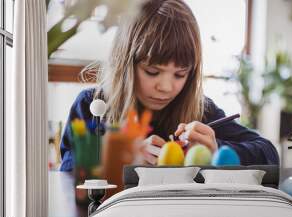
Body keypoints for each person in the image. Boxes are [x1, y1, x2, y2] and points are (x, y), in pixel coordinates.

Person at [60, 0, 279, 171]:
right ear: (126, 63)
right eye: (152, 71)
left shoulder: (201, 110)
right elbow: (68, 171)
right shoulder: (93, 106)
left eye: (180, 74)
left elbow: (269, 154)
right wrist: (123, 157)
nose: (166, 87)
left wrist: (216, 149)